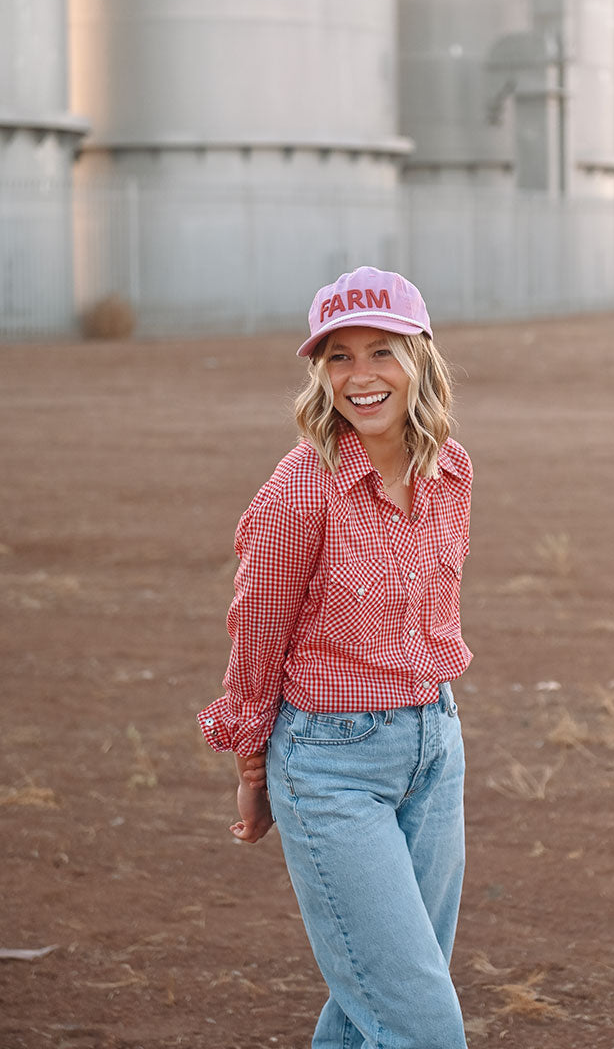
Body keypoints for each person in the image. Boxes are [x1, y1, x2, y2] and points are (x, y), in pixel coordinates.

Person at [198, 265, 473, 1049]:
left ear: (420, 357)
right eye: (338, 356)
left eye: (381, 351)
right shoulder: (299, 490)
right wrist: (254, 775)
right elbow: (256, 641)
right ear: (320, 373)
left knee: (370, 1006)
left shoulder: (449, 470)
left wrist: (435, 740)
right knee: (422, 1026)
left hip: (436, 747)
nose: (361, 376)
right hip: (330, 763)